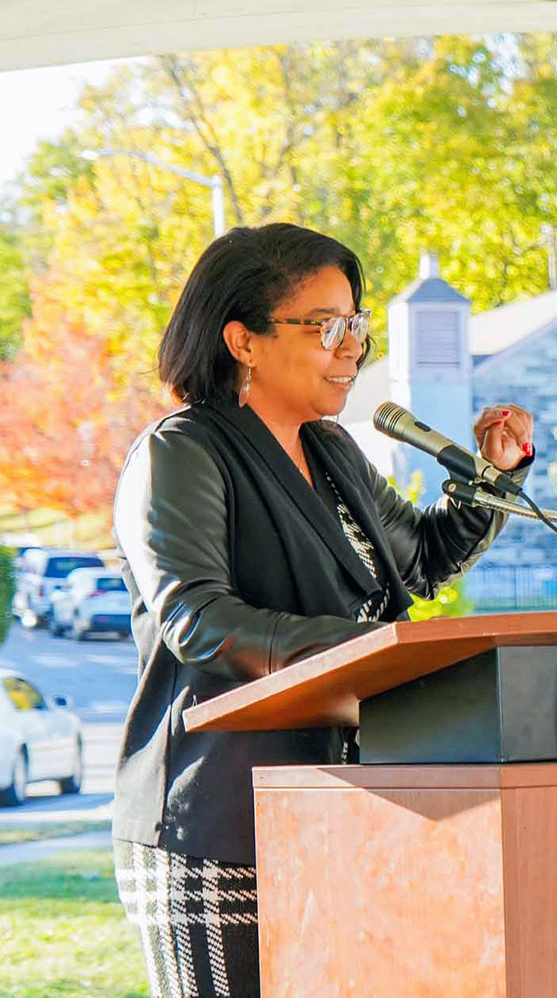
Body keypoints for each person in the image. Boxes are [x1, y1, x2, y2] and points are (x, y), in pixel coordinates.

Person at [109, 224, 534, 997]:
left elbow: (421, 560)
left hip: (347, 804)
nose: (354, 347)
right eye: (328, 326)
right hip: (220, 822)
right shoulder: (182, 452)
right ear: (244, 339)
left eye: (358, 325)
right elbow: (200, 621)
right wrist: (374, 649)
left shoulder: (332, 451)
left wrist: (492, 480)